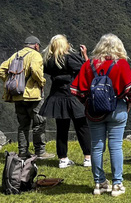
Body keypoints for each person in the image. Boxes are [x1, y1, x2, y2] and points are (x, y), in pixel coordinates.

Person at [71, 34, 131, 196]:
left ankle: (99, 184)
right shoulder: (121, 64)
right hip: (117, 109)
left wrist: (87, 103)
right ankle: (117, 184)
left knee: (97, 147)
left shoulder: (89, 64)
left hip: (94, 112)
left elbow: (76, 90)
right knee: (115, 146)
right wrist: (128, 103)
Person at [39, 34, 92, 168]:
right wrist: (84, 54)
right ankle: (88, 157)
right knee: (82, 127)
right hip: (72, 96)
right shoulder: (69, 58)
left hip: (57, 96)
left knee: (62, 128)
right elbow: (86, 69)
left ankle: (63, 159)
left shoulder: (49, 61)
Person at [0, 36, 52, 159]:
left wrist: (11, 81)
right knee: (39, 123)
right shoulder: (35, 55)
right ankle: (40, 151)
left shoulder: (15, 55)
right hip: (33, 96)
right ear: (36, 45)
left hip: (17, 95)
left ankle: (23, 152)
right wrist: (42, 81)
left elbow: (0, 70)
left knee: (23, 125)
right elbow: (35, 69)